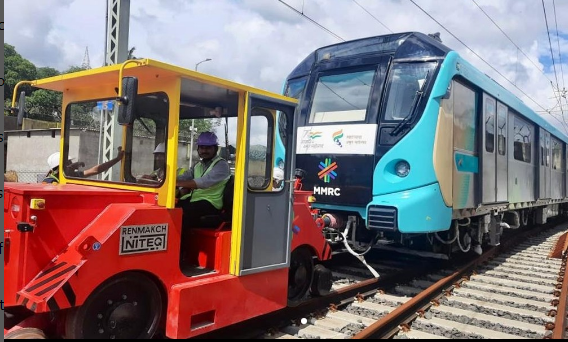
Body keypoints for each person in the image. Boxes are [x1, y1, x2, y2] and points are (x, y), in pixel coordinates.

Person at [176, 132, 231, 229]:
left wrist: (176, 183)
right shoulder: (197, 165)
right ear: (198, 149)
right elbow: (185, 177)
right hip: (195, 199)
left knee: (182, 214)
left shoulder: (222, 165)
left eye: (208, 148)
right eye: (202, 147)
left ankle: (182, 243)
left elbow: (204, 182)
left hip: (211, 203)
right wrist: (166, 179)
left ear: (215, 149)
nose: (204, 150)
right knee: (170, 208)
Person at [43, 147, 124, 184]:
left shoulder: (72, 176)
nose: (71, 164)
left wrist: (117, 159)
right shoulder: (49, 182)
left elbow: (96, 170)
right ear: (60, 168)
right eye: (69, 163)